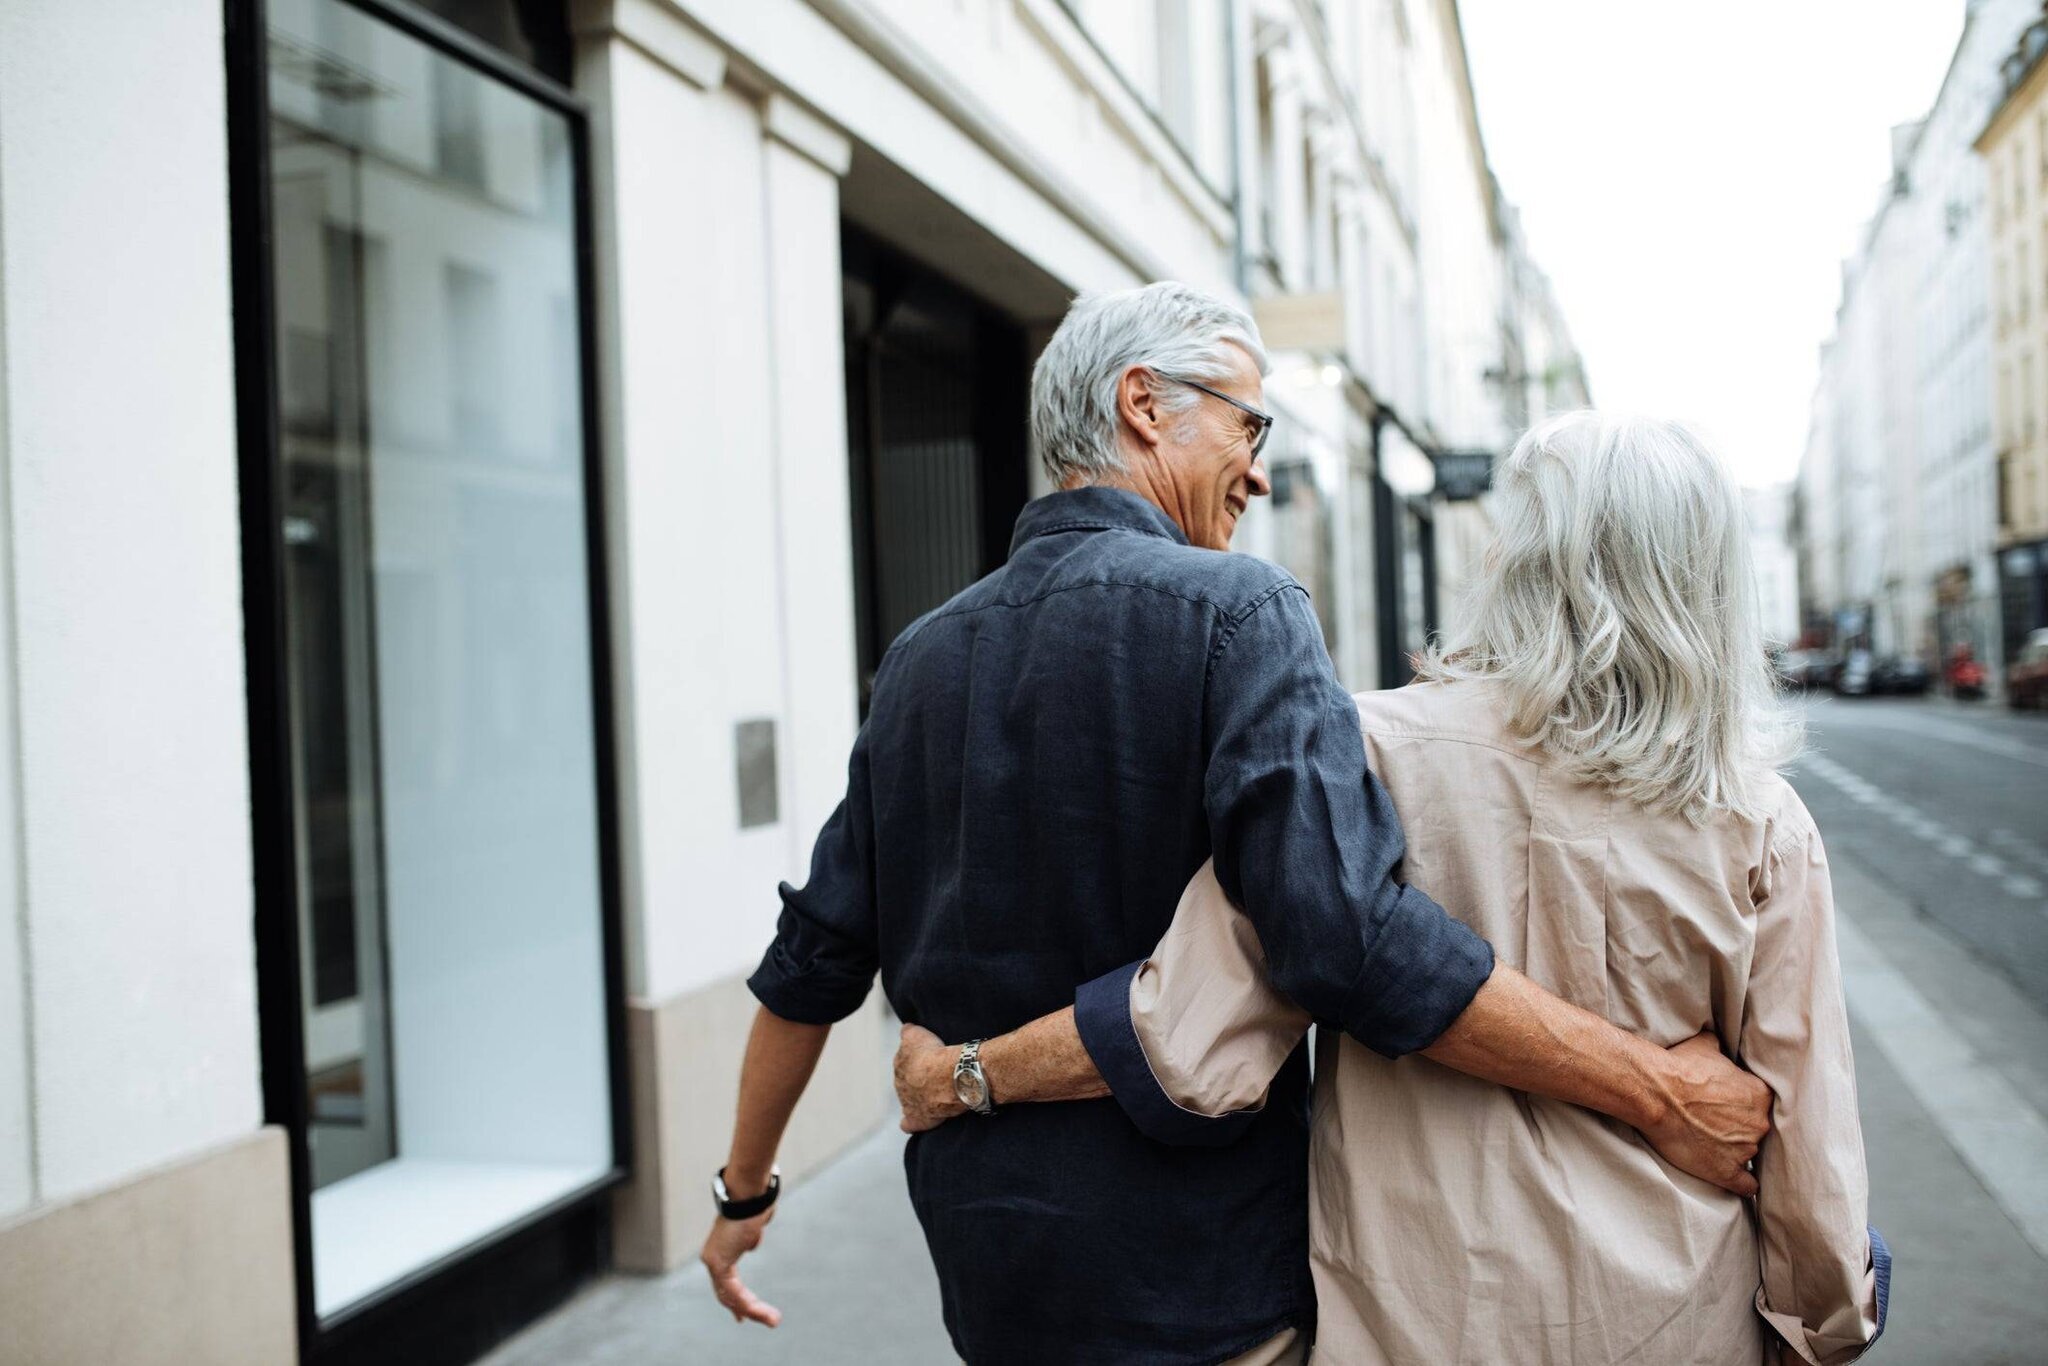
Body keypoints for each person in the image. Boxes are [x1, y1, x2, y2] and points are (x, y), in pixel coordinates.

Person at [701, 284, 1770, 1365]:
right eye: (1246, 424)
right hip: (1197, 1286)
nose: (1258, 469)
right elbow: (1345, 940)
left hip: (989, 1279)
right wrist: (1655, 1089)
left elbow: (811, 959)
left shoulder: (919, 660)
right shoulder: (1241, 613)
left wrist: (742, 1191)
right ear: (1143, 406)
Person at [899, 412, 1888, 1364]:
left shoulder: (1360, 751)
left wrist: (964, 1073)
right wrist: (1822, 1319)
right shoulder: (1754, 813)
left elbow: (1183, 1035)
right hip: (1677, 1313)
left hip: (1422, 1319)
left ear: (1510, 562)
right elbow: (1806, 1133)